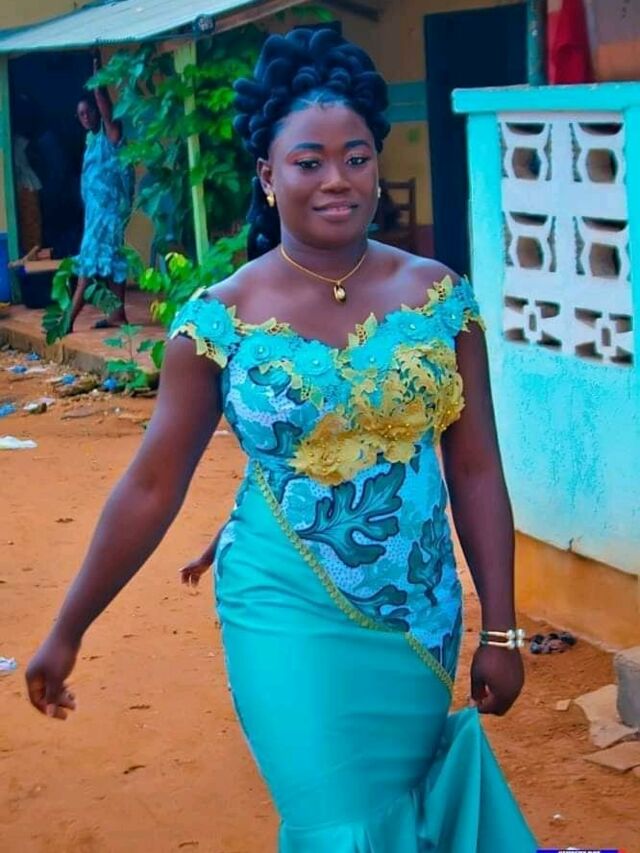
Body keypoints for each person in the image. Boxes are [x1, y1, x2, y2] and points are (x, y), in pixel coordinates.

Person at [26, 29, 537, 851]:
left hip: (416, 613)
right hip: (282, 603)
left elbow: (475, 469)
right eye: (309, 161)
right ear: (267, 175)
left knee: (398, 812)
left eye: (356, 158)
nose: (337, 179)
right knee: (338, 822)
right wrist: (68, 627)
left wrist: (502, 630)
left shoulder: (440, 299)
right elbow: (152, 485)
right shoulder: (217, 323)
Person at [69, 50, 134, 332]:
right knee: (113, 260)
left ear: (98, 112)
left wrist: (98, 76)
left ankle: (68, 320)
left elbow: (104, 102)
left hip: (109, 213)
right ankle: (117, 314)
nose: (86, 117)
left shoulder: (111, 132)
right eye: (81, 114)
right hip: (96, 214)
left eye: (90, 112)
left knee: (87, 265)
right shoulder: (92, 140)